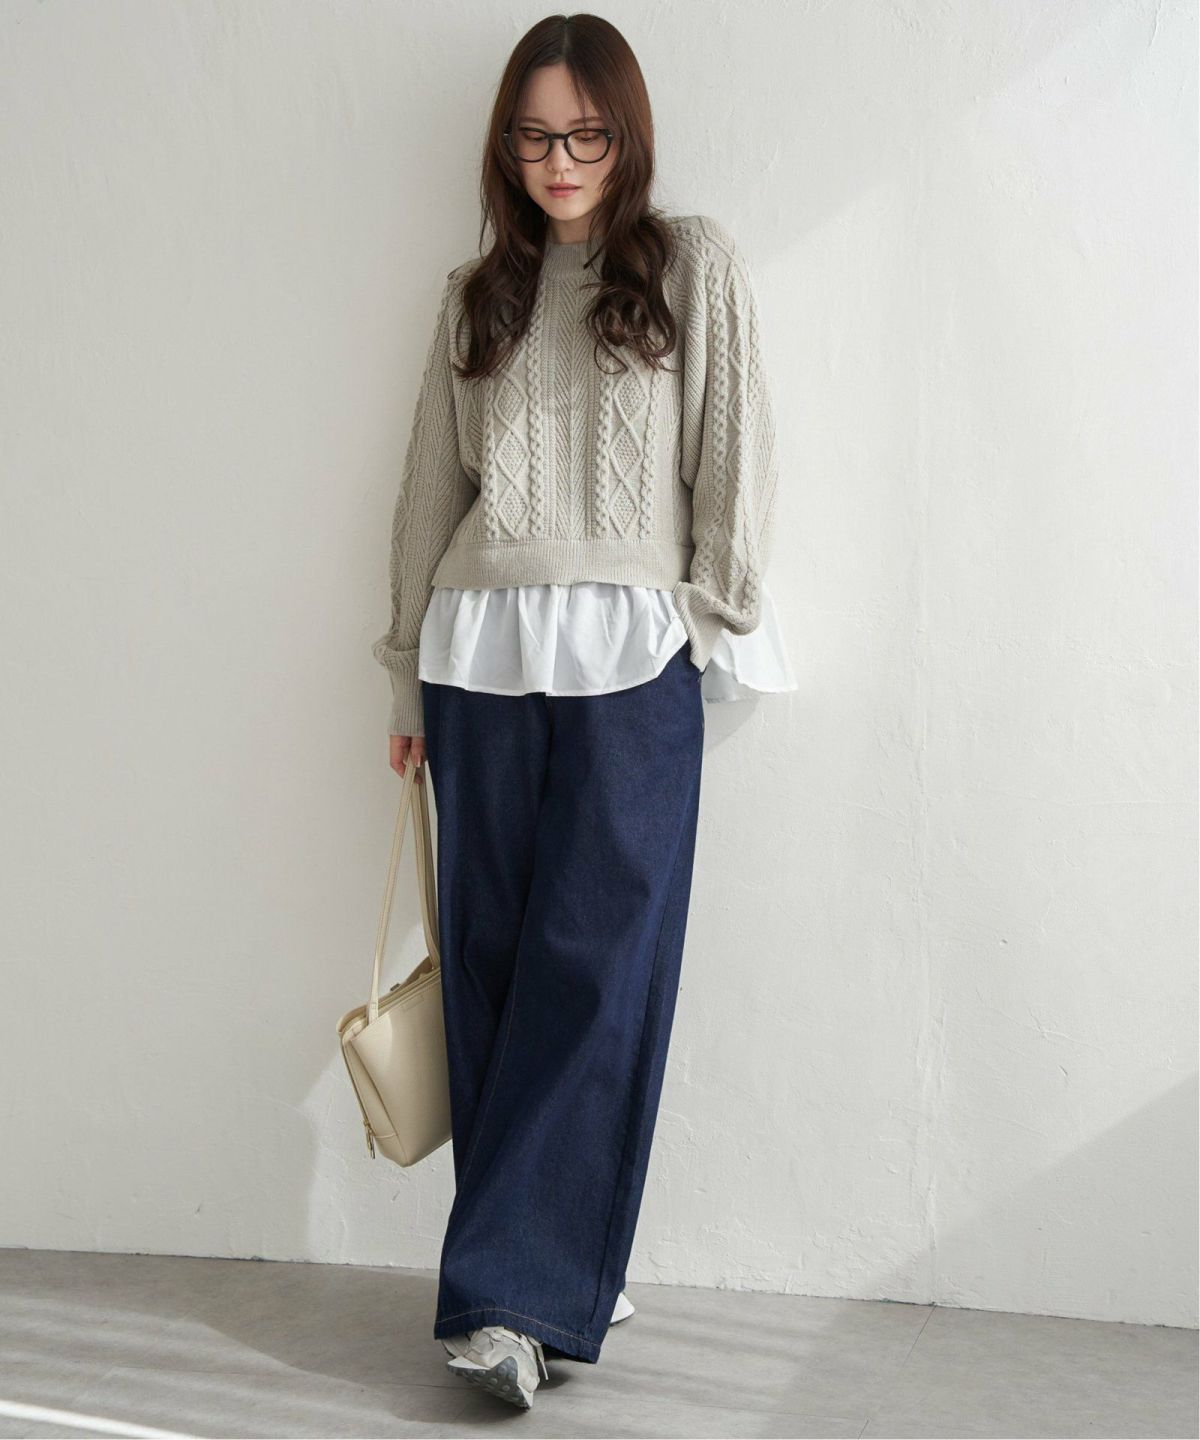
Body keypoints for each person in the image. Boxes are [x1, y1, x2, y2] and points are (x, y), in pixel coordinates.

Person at [371, 12, 793, 1411]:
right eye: (536, 135)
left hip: (633, 658)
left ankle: (511, 1297)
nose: (561, 160)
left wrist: (710, 615)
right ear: (507, 145)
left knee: (598, 971)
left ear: (627, 134)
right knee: (491, 968)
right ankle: (540, 1285)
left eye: (587, 133)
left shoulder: (688, 266)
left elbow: (738, 452)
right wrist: (404, 671)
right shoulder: (473, 297)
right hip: (477, 659)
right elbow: (428, 492)